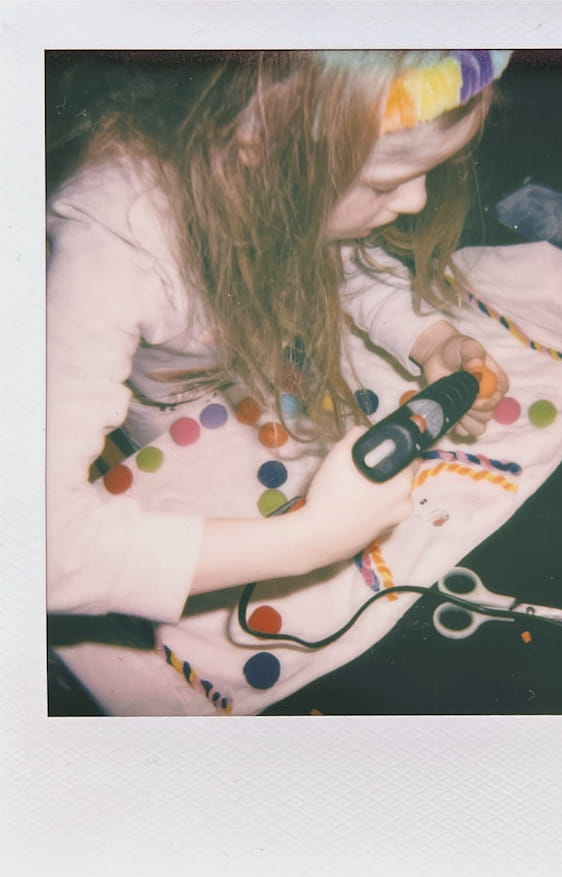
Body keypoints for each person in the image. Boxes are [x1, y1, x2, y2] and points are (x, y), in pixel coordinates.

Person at [46, 49, 512, 626]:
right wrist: (311, 540)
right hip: (174, 410)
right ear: (257, 144)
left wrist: (429, 339)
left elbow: (342, 261)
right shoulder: (108, 248)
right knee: (204, 498)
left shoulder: (279, 179)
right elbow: (42, 548)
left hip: (263, 365)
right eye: (384, 183)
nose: (417, 200)